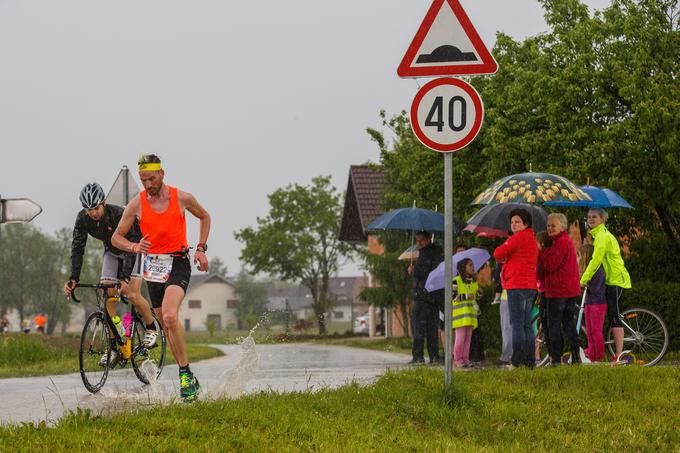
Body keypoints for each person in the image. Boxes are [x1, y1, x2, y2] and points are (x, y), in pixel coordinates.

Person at [112, 154, 211, 402]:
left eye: (152, 179)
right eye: (144, 180)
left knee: (169, 315)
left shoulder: (181, 198)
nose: (148, 185)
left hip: (177, 262)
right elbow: (116, 238)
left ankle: (185, 375)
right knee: (165, 324)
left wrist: (200, 248)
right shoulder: (137, 203)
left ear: (162, 174)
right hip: (153, 267)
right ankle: (188, 374)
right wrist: (135, 247)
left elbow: (205, 217)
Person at [63, 182, 158, 366]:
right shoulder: (82, 219)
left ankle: (150, 326)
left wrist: (124, 278)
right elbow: (77, 248)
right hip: (112, 251)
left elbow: (131, 247)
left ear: (104, 203)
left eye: (96, 207)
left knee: (132, 294)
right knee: (107, 300)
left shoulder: (117, 214)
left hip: (134, 248)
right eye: (89, 209)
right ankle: (115, 345)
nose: (93, 213)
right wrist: (74, 277)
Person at [580, 208, 631, 362]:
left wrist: (583, 279)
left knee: (615, 316)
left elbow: (596, 260)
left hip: (616, 279)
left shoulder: (602, 236)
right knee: (609, 316)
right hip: (609, 280)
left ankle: (619, 355)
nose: (591, 219)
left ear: (602, 219)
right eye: (589, 217)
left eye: (594, 217)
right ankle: (599, 351)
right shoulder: (597, 235)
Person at [493, 208, 539, 369]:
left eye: (517, 221)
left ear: (525, 223)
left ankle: (517, 361)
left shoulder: (518, 238)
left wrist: (505, 257)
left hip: (517, 285)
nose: (514, 224)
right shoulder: (531, 238)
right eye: (512, 222)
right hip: (530, 287)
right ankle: (529, 361)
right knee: (527, 324)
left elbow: (498, 253)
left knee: (517, 324)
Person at [538, 213, 581, 365]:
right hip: (569, 290)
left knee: (554, 325)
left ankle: (556, 359)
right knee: (569, 324)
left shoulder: (561, 242)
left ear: (562, 226)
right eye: (548, 225)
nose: (549, 228)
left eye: (553, 225)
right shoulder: (561, 241)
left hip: (559, 291)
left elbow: (550, 264)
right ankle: (576, 357)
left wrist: (541, 252)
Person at [407, 231, 443, 365]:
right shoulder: (438, 252)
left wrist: (413, 270)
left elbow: (425, 272)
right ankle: (434, 356)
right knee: (432, 329)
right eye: (417, 241)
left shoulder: (427, 253)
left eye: (421, 240)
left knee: (419, 328)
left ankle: (418, 357)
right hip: (433, 296)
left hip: (422, 296)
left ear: (428, 239)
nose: (419, 243)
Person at [579, 243, 607, 362]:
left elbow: (595, 288)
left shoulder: (597, 269)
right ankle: (592, 355)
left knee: (596, 332)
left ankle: (599, 358)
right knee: (589, 332)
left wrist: (585, 284)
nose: (578, 258)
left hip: (597, 304)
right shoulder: (587, 271)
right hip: (589, 303)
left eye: (580, 255)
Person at [452, 258, 482, 368]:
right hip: (460, 316)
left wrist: (479, 294)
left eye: (473, 265)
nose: (473, 267)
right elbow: (452, 296)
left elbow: (476, 297)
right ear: (463, 267)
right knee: (460, 337)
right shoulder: (456, 280)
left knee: (468, 338)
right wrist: (465, 296)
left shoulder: (474, 282)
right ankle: (457, 359)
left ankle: (465, 359)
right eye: (470, 265)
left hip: (470, 315)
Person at [492, 262, 512, 367]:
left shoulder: (505, 264)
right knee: (521, 326)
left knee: (507, 328)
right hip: (524, 293)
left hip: (507, 295)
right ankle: (521, 355)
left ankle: (507, 356)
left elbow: (498, 280)